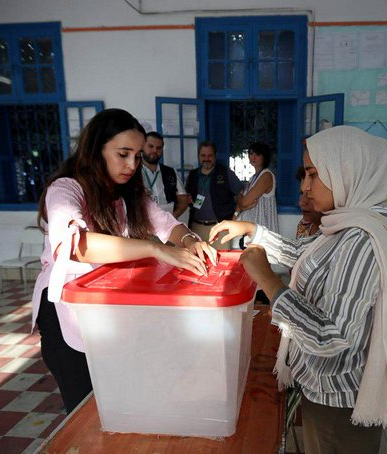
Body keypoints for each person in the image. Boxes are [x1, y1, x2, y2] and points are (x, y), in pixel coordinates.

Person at [210, 125, 387, 454]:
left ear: (346, 172)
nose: (305, 186)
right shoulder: (344, 225)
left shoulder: (362, 240)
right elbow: (307, 257)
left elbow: (332, 338)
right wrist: (252, 231)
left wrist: (270, 283)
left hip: (337, 406)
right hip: (322, 393)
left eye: (314, 174)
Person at [32, 108, 216, 413]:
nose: (132, 164)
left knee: (120, 397)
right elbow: (76, 245)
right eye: (123, 154)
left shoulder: (128, 192)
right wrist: (154, 249)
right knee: (87, 408)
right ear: (96, 150)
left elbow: (166, 223)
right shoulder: (65, 189)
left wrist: (189, 241)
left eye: (137, 155)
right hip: (67, 309)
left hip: (107, 306)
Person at [185, 141, 244, 249]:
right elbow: (187, 197)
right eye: (203, 155)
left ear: (215, 156)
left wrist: (235, 216)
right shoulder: (193, 175)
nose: (206, 158)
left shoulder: (225, 173)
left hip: (220, 228)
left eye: (209, 155)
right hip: (196, 228)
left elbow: (241, 195)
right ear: (198, 156)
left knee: (221, 263)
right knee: (198, 261)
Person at [141, 131, 189, 220]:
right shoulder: (133, 172)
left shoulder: (170, 172)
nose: (155, 151)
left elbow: (183, 199)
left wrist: (174, 216)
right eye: (151, 146)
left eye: (159, 148)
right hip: (142, 225)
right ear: (142, 147)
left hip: (166, 225)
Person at [234, 142, 278, 233]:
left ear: (264, 156)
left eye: (257, 154)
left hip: (263, 230)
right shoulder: (253, 178)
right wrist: (241, 204)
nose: (253, 157)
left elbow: (244, 202)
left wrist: (241, 201)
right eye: (251, 154)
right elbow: (240, 204)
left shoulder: (266, 175)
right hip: (251, 229)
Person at [294, 166, 322, 239]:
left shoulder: (337, 233)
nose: (302, 203)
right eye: (301, 193)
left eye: (310, 194)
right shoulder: (303, 225)